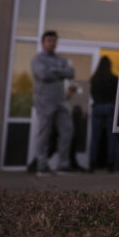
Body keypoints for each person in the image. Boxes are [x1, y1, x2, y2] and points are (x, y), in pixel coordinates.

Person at [31, 30, 76, 176]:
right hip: (44, 102)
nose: (52, 43)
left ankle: (63, 165)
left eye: (54, 40)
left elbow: (71, 73)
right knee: (44, 134)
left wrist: (53, 70)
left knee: (67, 131)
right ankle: (42, 166)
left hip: (61, 102)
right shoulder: (37, 59)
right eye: (49, 40)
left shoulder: (61, 59)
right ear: (43, 43)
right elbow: (43, 74)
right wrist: (59, 71)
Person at [89, 56, 119, 172]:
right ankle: (111, 164)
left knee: (95, 138)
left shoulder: (94, 79)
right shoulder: (114, 79)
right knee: (111, 137)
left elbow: (92, 94)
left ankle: (92, 163)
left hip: (97, 107)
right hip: (110, 107)